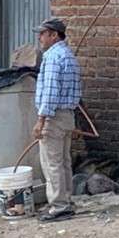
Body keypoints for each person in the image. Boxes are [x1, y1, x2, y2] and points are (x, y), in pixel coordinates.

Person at [31, 18, 82, 222]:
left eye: (43, 34)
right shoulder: (68, 55)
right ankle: (66, 201)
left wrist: (41, 120)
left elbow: (51, 92)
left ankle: (58, 206)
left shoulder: (53, 57)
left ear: (54, 35)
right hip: (67, 115)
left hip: (54, 116)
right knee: (64, 162)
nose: (39, 38)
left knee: (52, 162)